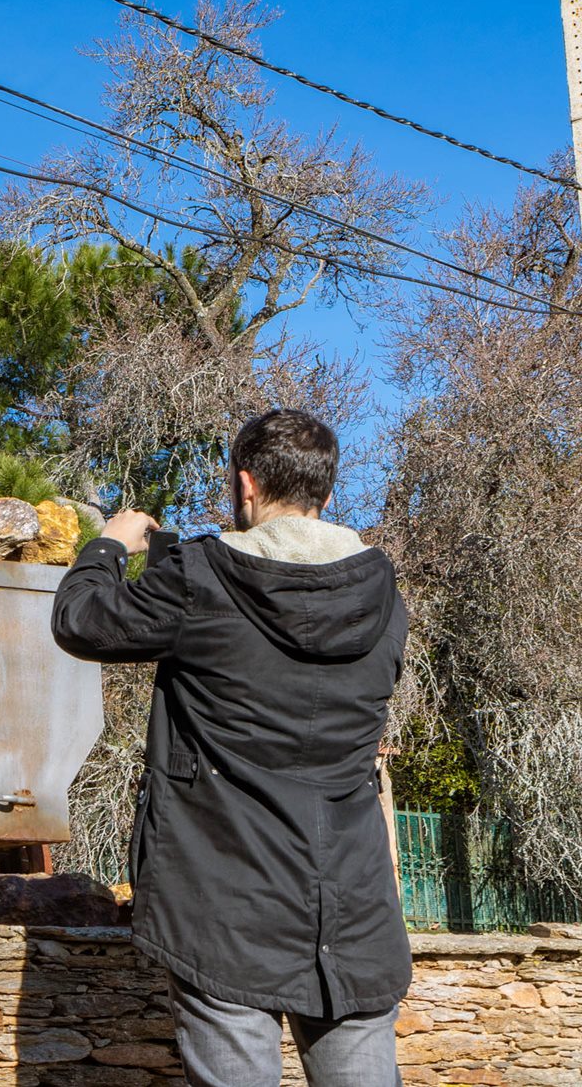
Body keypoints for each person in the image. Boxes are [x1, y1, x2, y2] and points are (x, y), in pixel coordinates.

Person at [51, 409, 409, 1087]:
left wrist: (106, 547)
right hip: (353, 909)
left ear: (245, 485)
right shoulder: (384, 598)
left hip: (225, 904)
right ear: (325, 495)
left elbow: (79, 619)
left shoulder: (199, 579)